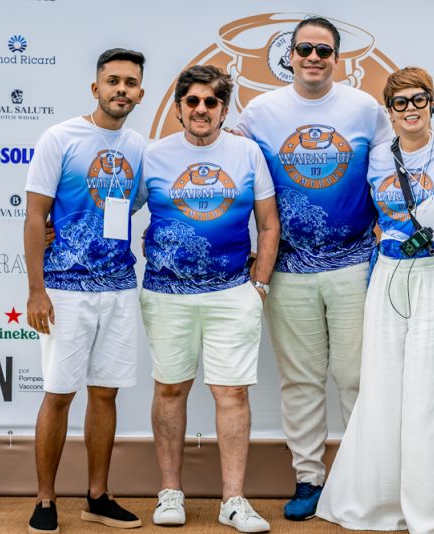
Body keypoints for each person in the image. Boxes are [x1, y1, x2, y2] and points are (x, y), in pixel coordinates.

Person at [232, 15, 393, 520]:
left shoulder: (365, 109)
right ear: (290, 55)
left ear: (337, 58)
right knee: (300, 380)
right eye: (305, 49)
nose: (314, 59)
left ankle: (361, 480)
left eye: (324, 51)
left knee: (355, 377)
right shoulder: (260, 112)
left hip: (353, 263)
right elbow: (230, 170)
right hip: (287, 267)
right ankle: (310, 478)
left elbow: (398, 171)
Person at [316, 66, 434, 534]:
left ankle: (429, 516)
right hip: (386, 274)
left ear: (432, 102)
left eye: (418, 99)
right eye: (400, 102)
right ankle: (376, 505)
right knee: (383, 391)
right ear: (390, 111)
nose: (410, 109)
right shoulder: (377, 158)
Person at [140, 65, 279, 533]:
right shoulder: (153, 155)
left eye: (211, 102)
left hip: (232, 292)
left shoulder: (246, 153)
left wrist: (259, 284)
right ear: (179, 107)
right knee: (170, 388)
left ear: (224, 109)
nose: (201, 109)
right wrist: (60, 227)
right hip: (166, 293)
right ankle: (169, 494)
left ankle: (234, 501)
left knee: (232, 392)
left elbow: (268, 223)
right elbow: (115, 210)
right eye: (193, 101)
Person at [23, 48, 147, 533]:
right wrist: (37, 290)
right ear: (95, 88)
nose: (121, 89)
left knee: (105, 394)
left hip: (117, 286)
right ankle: (46, 500)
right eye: (112, 81)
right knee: (57, 394)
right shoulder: (60, 138)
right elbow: (36, 216)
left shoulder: (139, 146)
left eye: (130, 83)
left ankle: (97, 497)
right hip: (65, 289)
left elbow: (133, 205)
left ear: (140, 93)